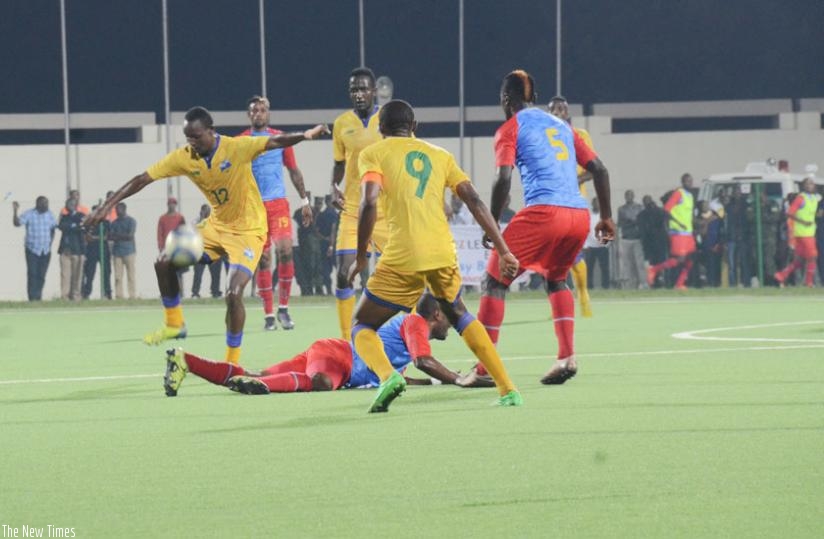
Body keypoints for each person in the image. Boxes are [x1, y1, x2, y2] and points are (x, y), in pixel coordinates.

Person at [83, 106, 329, 365]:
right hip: (215, 228)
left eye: (196, 136)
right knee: (163, 261)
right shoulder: (185, 156)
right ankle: (175, 324)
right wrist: (106, 206)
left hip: (248, 231)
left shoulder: (236, 147)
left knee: (233, 293)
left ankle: (231, 362)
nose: (192, 143)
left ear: (211, 131)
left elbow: (275, 141)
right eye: (188, 137)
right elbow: (142, 178)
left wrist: (306, 135)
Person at [348, 99, 522, 413]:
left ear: (381, 128)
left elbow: (369, 202)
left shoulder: (372, 154)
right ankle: (508, 389)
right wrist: (504, 249)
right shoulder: (440, 155)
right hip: (442, 251)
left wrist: (361, 256)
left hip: (402, 254)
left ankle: (388, 377)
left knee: (361, 324)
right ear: (414, 127)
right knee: (458, 314)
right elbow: (474, 199)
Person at [466, 71, 613, 388]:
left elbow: (503, 179)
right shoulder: (563, 126)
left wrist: (491, 225)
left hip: (545, 212)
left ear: (506, 100)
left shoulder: (510, 128)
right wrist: (607, 217)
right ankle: (567, 357)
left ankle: (484, 368)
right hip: (578, 215)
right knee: (557, 278)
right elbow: (599, 169)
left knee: (493, 280)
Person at [162, 293, 486, 396]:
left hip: (330, 353)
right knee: (320, 384)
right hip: (338, 358)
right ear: (437, 314)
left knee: (255, 373)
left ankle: (186, 360)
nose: (455, 325)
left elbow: (398, 375)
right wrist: (458, 379)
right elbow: (422, 360)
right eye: (452, 318)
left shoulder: (407, 331)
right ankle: (258, 384)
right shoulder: (416, 323)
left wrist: (434, 382)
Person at [240, 96, 311, 331]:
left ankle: (284, 309)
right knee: (263, 259)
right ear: (249, 115)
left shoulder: (280, 139)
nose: (259, 113)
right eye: (255, 111)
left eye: (262, 110)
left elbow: (294, 171)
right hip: (255, 208)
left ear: (268, 113)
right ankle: (268, 315)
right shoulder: (241, 141)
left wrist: (305, 200)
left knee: (285, 250)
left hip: (278, 204)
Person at [330, 67, 388, 340]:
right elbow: (339, 163)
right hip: (353, 208)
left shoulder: (387, 120)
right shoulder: (342, 123)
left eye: (364, 88)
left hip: (385, 210)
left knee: (403, 274)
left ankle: (403, 337)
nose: (359, 94)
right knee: (344, 273)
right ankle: (346, 341)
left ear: (374, 91)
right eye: (354, 89)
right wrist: (333, 186)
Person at [548, 95, 596, 317]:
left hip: (575, 203)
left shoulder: (580, 135)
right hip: (550, 204)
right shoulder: (542, 137)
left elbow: (593, 168)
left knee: (575, 253)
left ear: (567, 112)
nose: (558, 112)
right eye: (554, 109)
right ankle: (560, 303)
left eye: (562, 109)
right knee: (554, 256)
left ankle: (583, 294)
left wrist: (573, 181)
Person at [646, 173, 696, 289]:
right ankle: (653, 269)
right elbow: (666, 210)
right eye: (688, 181)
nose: (690, 183)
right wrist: (678, 223)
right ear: (683, 182)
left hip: (688, 233)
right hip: (679, 232)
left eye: (691, 181)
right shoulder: (679, 193)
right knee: (680, 259)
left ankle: (679, 284)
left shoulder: (690, 196)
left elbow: (688, 214)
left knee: (691, 259)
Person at [775, 177, 820, 287]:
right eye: (808, 183)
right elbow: (790, 213)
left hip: (808, 232)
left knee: (799, 261)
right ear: (804, 186)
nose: (811, 185)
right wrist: (803, 221)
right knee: (813, 256)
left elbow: (811, 213)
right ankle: (808, 282)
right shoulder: (801, 198)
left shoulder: (814, 198)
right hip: (804, 233)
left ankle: (781, 275)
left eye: (812, 183)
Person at [13, 196, 57, 301]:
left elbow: (53, 229)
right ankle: (32, 298)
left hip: (45, 250)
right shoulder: (29, 214)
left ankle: (38, 296)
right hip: (32, 249)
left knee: (42, 275)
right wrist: (15, 211)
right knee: (32, 273)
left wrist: (50, 243)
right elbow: (17, 223)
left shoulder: (50, 214)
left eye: (47, 203)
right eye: (44, 203)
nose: (46, 205)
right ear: (38, 204)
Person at [190, 204, 222, 298]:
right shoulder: (195, 222)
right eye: (205, 212)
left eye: (208, 212)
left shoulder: (214, 222)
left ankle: (215, 292)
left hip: (212, 251)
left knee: (215, 274)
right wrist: (203, 219)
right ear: (201, 212)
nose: (207, 214)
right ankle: (195, 293)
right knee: (198, 274)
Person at [293, 193, 322, 296]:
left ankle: (314, 289)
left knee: (314, 267)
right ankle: (311, 289)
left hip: (308, 243)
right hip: (306, 243)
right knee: (309, 267)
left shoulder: (303, 212)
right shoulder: (309, 212)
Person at [57, 197, 86, 300]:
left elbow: (82, 228)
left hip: (77, 249)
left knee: (77, 275)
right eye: (68, 204)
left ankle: (76, 295)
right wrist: (74, 226)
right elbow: (61, 226)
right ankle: (65, 295)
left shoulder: (81, 216)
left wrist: (73, 226)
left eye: (71, 204)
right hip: (65, 249)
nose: (69, 206)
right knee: (65, 274)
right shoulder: (64, 217)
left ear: (75, 205)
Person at [81, 204, 112, 300]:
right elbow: (86, 237)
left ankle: (107, 293)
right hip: (91, 251)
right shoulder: (88, 224)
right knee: (90, 273)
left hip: (104, 250)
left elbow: (108, 237)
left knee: (106, 272)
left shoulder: (106, 223)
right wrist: (99, 238)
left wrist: (95, 238)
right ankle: (86, 293)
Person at [616, 189, 646, 288]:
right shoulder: (621, 209)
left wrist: (634, 222)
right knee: (627, 263)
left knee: (639, 263)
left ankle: (642, 283)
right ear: (625, 197)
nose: (629, 197)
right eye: (627, 195)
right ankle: (629, 284)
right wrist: (629, 222)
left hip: (637, 238)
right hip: (626, 238)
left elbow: (642, 222)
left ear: (633, 196)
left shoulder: (640, 208)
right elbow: (620, 223)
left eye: (631, 195)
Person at [109, 202, 137, 299]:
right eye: (116, 210)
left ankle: (132, 295)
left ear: (124, 209)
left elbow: (130, 236)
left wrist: (117, 236)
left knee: (131, 275)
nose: (117, 211)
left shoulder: (131, 221)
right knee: (118, 276)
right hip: (117, 252)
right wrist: (121, 236)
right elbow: (110, 236)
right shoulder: (114, 223)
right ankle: (119, 295)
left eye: (118, 209)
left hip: (129, 251)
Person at [637, 195, 669, 272]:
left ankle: (665, 279)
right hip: (649, 241)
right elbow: (641, 228)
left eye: (649, 201)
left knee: (662, 260)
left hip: (660, 240)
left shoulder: (660, 211)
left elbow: (665, 218)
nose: (647, 203)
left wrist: (656, 208)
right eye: (645, 202)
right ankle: (656, 280)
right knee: (652, 261)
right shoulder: (641, 215)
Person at [584, 197, 610, 289]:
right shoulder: (589, 217)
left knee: (605, 268)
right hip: (591, 247)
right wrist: (586, 245)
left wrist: (606, 244)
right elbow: (585, 231)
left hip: (602, 247)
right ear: (592, 204)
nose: (597, 204)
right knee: (589, 268)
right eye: (595, 203)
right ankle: (589, 286)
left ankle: (606, 286)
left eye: (599, 203)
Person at [315, 194, 338, 296]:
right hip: (334, 245)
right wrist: (331, 245)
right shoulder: (334, 214)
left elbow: (316, 231)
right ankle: (342, 289)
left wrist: (324, 239)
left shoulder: (321, 215)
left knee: (326, 269)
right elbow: (333, 230)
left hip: (323, 244)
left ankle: (329, 290)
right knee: (339, 268)